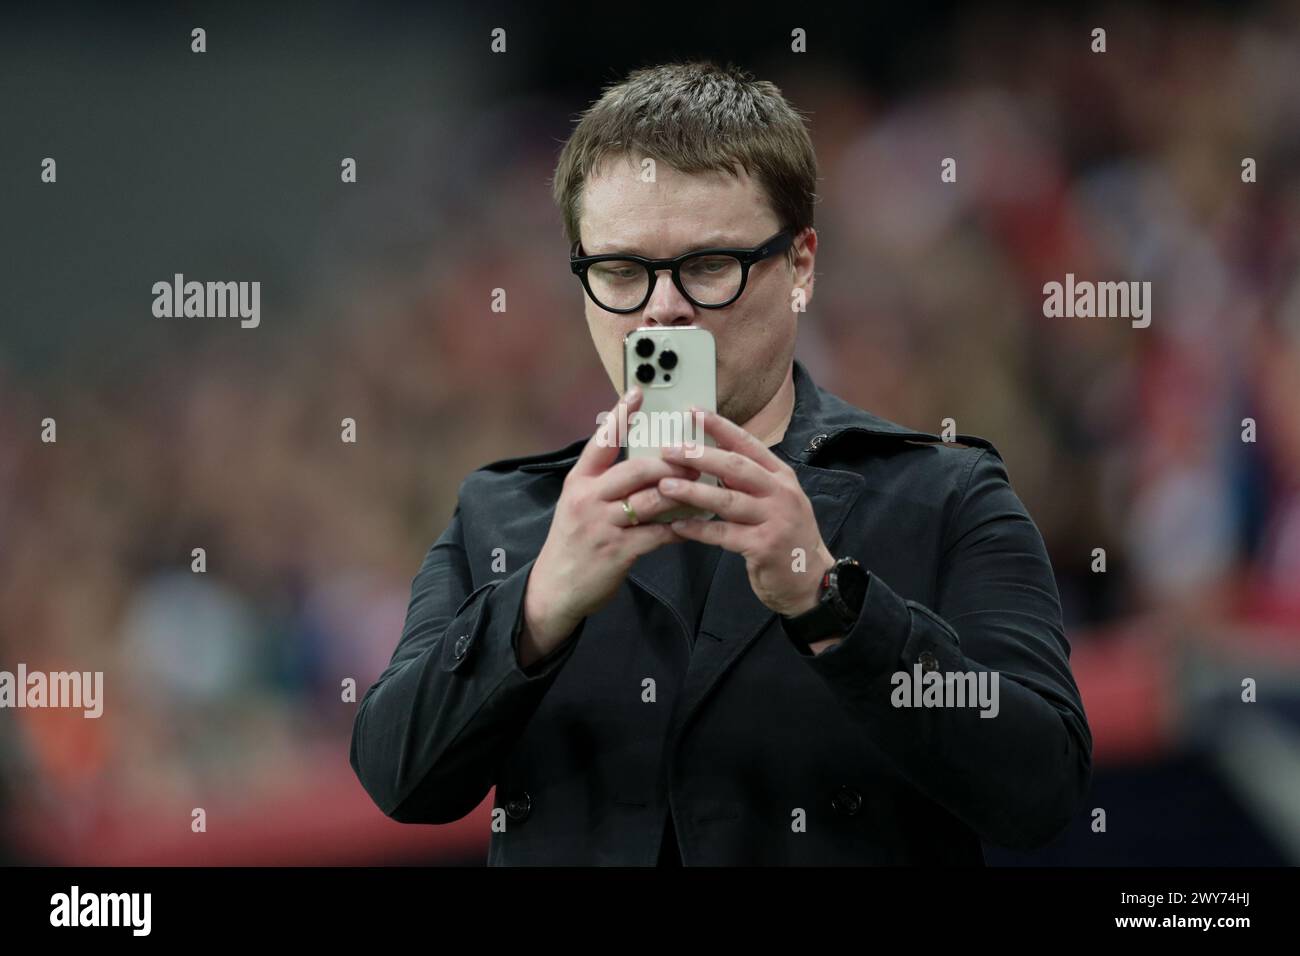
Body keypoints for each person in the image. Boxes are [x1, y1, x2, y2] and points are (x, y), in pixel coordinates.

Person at [350, 60, 1092, 865]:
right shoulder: (504, 513)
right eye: (622, 272)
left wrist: (832, 606)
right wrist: (536, 608)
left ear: (801, 267)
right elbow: (399, 778)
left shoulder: (943, 495)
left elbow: (1042, 788)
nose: (663, 308)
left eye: (708, 265)